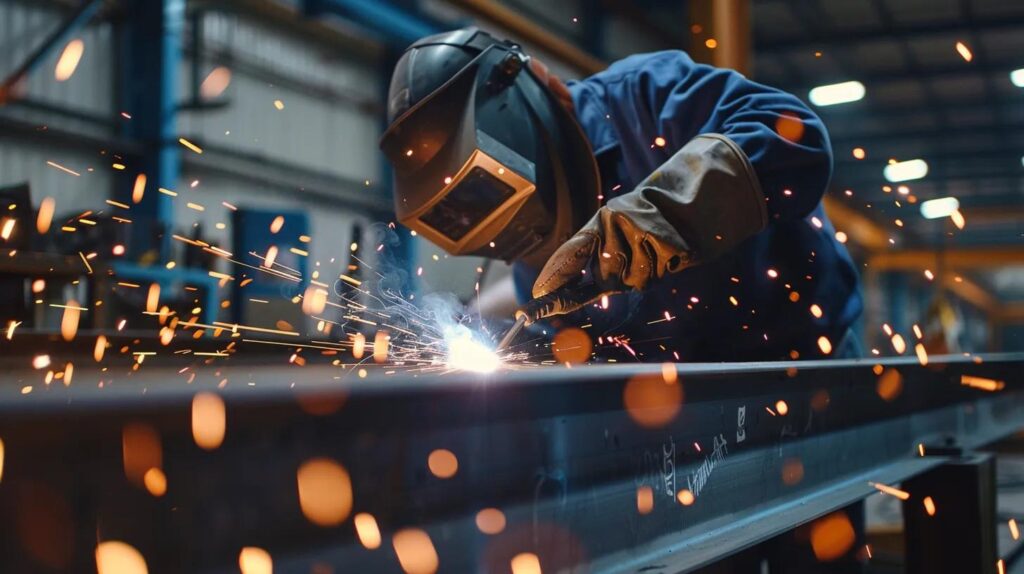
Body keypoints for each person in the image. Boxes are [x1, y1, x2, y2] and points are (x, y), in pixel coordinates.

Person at [379, 27, 862, 363]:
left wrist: (664, 215)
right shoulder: (533, 258)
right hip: (688, 401)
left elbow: (796, 140)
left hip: (807, 358)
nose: (532, 247)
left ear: (540, 89)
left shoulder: (645, 98)